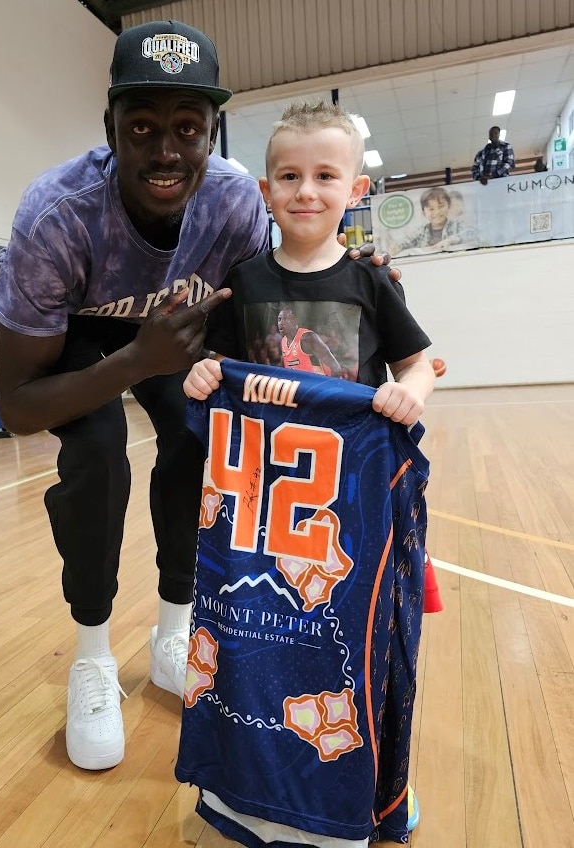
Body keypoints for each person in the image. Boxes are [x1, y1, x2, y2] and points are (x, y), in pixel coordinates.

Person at [0, 21, 399, 772]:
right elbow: (16, 406)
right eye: (141, 126)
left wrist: (348, 272)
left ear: (212, 132)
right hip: (84, 347)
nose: (166, 150)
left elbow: (275, 284)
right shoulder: (54, 217)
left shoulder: (235, 200)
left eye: (188, 127)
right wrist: (131, 362)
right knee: (98, 455)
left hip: (173, 336)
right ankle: (92, 658)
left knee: (200, 439)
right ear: (109, 128)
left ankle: (174, 629)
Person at [180, 101, 435, 847]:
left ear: (356, 191)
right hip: (262, 507)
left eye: (326, 176)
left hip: (346, 505)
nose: (306, 192)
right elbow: (213, 367)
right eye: (289, 176)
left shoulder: (372, 283)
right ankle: (249, 787)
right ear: (265, 192)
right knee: (264, 640)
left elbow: (421, 363)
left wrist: (407, 394)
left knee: (359, 647)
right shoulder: (245, 281)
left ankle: (379, 785)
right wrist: (200, 378)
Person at [391, 185, 478, 255]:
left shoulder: (457, 225)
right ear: (423, 212)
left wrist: (450, 240)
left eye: (441, 206)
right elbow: (406, 242)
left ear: (449, 206)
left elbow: (473, 233)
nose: (437, 212)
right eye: (431, 209)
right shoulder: (421, 231)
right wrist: (396, 248)